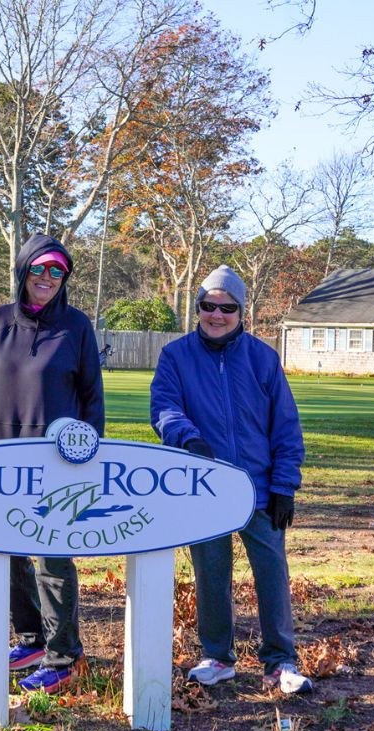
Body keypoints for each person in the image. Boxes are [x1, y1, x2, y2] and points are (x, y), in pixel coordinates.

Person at [150, 264, 312, 694]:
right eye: (208, 305)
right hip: (204, 488)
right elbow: (164, 408)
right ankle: (218, 657)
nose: (216, 314)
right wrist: (188, 440)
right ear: (198, 307)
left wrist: (284, 486)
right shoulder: (176, 356)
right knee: (211, 573)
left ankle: (280, 662)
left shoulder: (262, 358)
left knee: (271, 573)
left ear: (242, 312)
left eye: (227, 307)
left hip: (259, 490)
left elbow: (286, 427)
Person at [0, 232, 104, 694]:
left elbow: (91, 400)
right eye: (40, 269)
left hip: (55, 464)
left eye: (57, 271)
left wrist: (85, 457)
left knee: (53, 558)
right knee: (7, 553)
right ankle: (31, 639)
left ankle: (65, 655)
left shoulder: (77, 326)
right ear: (23, 271)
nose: (47, 278)